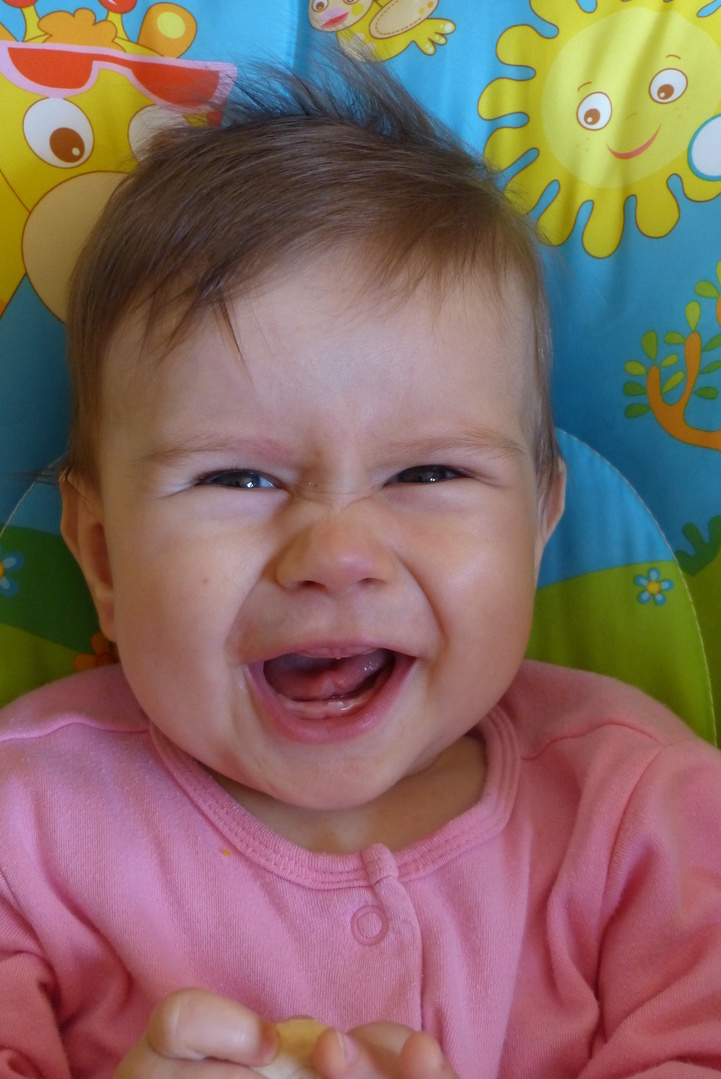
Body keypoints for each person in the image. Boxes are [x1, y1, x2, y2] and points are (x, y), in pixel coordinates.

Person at [0, 63, 719, 1079]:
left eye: (426, 472)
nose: (337, 555)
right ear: (105, 555)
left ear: (537, 526)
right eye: (239, 477)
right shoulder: (24, 825)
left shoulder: (647, 816)